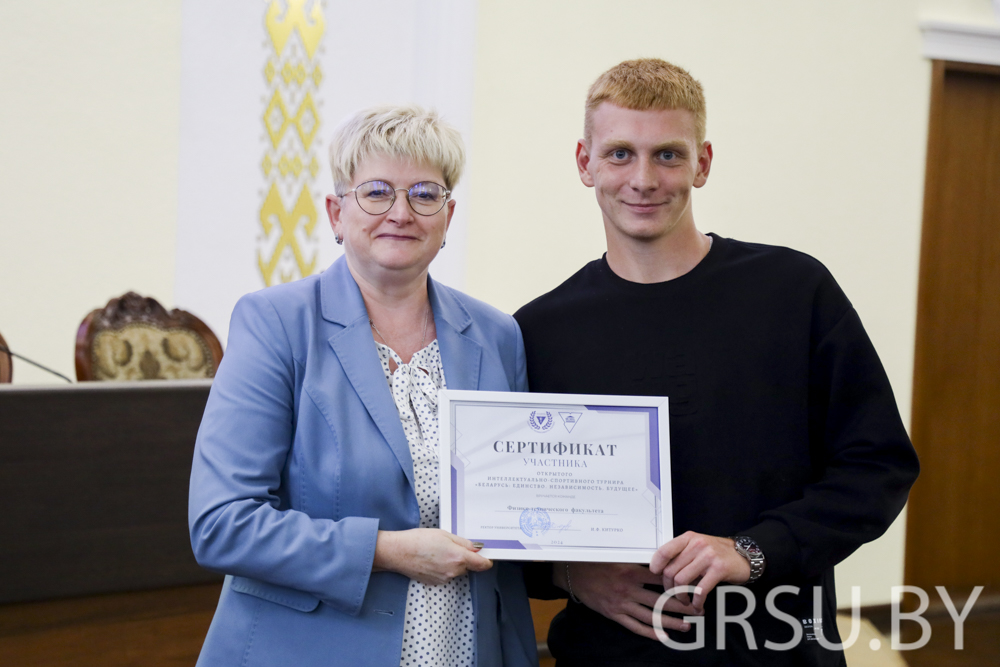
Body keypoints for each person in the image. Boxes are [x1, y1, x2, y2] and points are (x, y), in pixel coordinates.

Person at [514, 59, 920, 666]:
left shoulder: (794, 291)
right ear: (585, 162)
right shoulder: (537, 330)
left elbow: (878, 466)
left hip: (776, 650)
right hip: (610, 655)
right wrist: (570, 576)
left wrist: (752, 550)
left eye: (669, 155)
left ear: (702, 163)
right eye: (620, 153)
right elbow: (508, 514)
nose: (644, 179)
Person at [189, 105, 537, 667]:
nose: (401, 213)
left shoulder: (497, 336)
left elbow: (520, 505)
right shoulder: (275, 323)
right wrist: (384, 551)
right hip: (305, 650)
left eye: (424, 194)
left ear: (448, 215)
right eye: (376, 192)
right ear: (335, 212)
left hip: (460, 646)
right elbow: (222, 523)